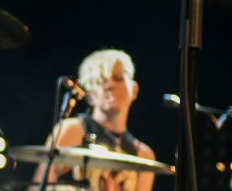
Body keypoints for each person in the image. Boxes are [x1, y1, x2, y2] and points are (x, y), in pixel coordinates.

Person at [31, 49, 156, 191]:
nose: (110, 86)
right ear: (89, 95)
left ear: (134, 90)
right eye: (100, 81)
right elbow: (37, 188)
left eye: (118, 78)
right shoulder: (72, 130)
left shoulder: (144, 155)